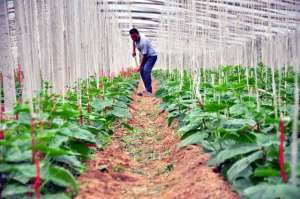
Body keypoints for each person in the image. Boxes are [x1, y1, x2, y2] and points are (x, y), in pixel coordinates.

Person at [129, 28, 157, 97]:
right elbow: (134, 42)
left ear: (138, 34)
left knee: (146, 70)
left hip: (151, 56)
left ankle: (149, 91)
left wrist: (139, 66)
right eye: (132, 37)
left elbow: (144, 55)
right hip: (146, 56)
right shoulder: (134, 39)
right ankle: (146, 89)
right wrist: (134, 50)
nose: (133, 38)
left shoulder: (143, 41)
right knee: (142, 71)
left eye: (135, 36)